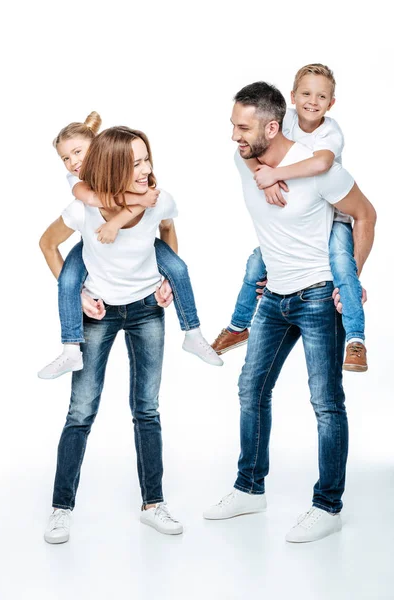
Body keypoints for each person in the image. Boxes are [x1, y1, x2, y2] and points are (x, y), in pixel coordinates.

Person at [204, 82, 376, 543]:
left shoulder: (321, 169)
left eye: (242, 128)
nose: (234, 137)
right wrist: (265, 169)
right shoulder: (245, 158)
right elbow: (248, 156)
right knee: (251, 389)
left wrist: (350, 280)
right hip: (273, 298)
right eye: (233, 126)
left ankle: (328, 506)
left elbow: (366, 214)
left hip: (319, 295)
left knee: (325, 402)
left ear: (273, 127)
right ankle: (250, 488)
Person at [40, 126, 186, 542]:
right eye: (136, 161)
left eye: (146, 159)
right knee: (81, 412)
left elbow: (168, 233)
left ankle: (153, 504)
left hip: (146, 313)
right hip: (99, 315)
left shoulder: (157, 200)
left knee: (147, 409)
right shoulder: (83, 207)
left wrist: (168, 278)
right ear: (116, 164)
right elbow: (47, 244)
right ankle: (60, 508)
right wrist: (79, 295)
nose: (146, 168)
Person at [38, 113, 222, 380]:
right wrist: (121, 216)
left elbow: (163, 222)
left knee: (178, 269)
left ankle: (192, 333)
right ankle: (70, 346)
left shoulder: (155, 196)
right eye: (65, 158)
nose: (73, 162)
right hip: (98, 282)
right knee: (68, 282)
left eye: (77, 152)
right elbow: (95, 200)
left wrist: (165, 279)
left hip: (147, 305)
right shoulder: (79, 194)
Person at [212, 64, 367, 372]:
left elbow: (322, 163)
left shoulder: (330, 133)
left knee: (342, 265)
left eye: (322, 96)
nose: (313, 101)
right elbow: (255, 145)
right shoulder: (286, 119)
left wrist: (275, 175)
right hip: (294, 237)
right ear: (293, 97)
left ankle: (356, 339)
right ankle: (238, 325)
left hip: (334, 216)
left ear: (331, 103)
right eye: (306, 94)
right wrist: (262, 174)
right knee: (257, 261)